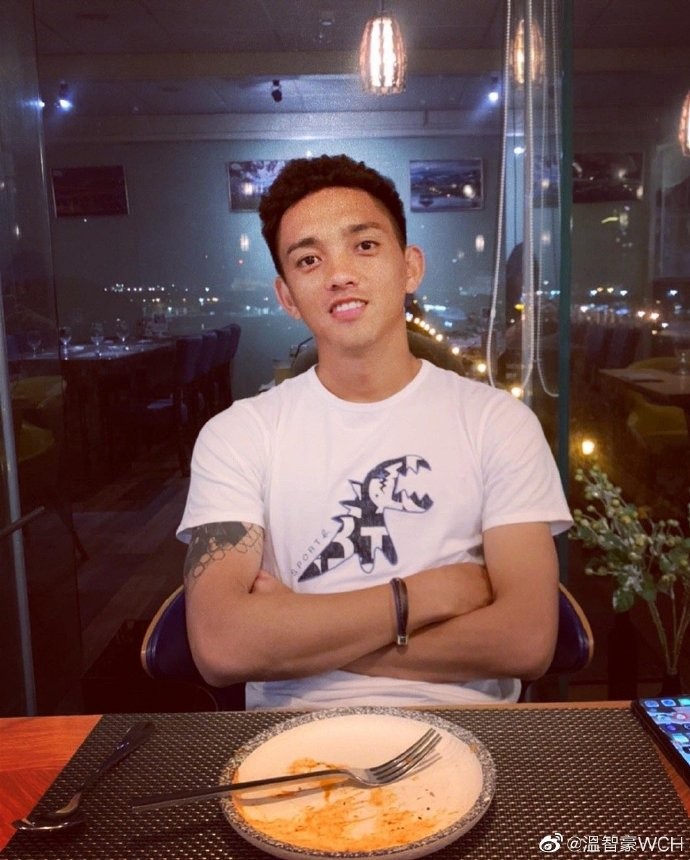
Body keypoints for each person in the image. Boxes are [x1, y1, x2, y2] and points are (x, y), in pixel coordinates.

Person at [177, 153, 572, 709]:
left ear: (410, 267)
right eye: (309, 259)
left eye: (364, 245)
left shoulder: (498, 424)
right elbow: (222, 647)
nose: (339, 274)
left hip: (473, 731)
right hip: (291, 738)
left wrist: (293, 631)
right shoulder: (237, 436)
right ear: (287, 296)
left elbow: (526, 641)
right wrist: (422, 595)